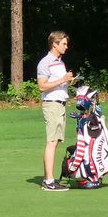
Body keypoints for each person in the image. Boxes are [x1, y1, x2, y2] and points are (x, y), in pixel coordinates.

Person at [37, 31, 75, 191]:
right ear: (55, 44)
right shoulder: (45, 62)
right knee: (51, 142)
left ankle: (49, 179)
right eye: (64, 44)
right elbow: (42, 86)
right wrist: (62, 80)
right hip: (51, 104)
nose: (66, 47)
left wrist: (70, 81)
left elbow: (59, 84)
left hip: (60, 104)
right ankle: (49, 181)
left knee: (55, 142)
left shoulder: (60, 62)